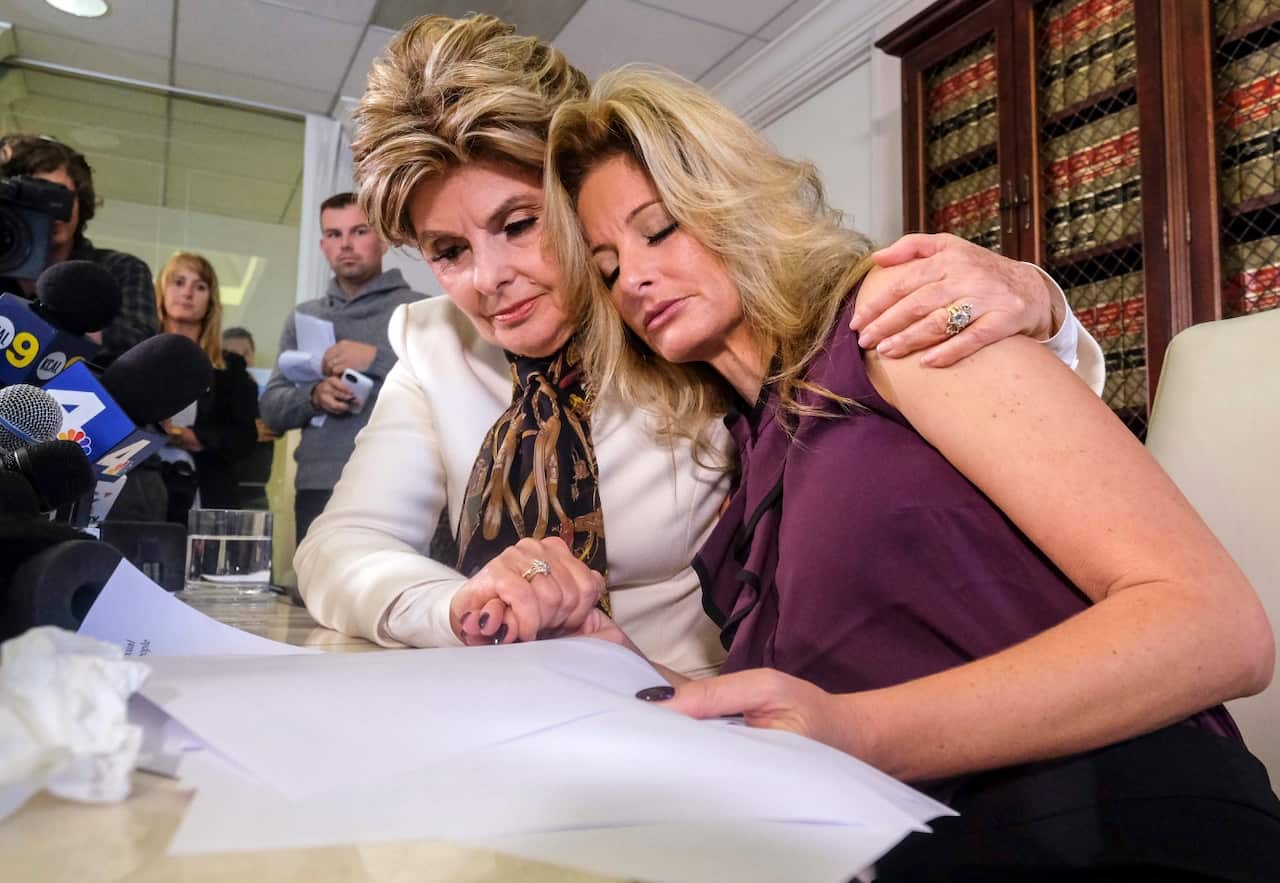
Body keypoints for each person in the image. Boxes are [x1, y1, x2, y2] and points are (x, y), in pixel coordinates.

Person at [543, 67, 1280, 879]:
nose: (634, 279)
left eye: (658, 230)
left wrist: (861, 733)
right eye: (608, 268)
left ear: (733, 203)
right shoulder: (747, 465)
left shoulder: (895, 318)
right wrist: (612, 660)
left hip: (1111, 818)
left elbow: (1218, 630)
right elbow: (805, 714)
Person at [294, 14, 1101, 682]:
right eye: (447, 252)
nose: (489, 279)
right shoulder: (433, 344)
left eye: (518, 224)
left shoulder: (682, 318)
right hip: (495, 704)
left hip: (692, 710)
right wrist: (467, 605)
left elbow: (897, 388)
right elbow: (339, 548)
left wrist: (1041, 304)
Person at [258, 192, 423, 544]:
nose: (346, 244)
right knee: (317, 598)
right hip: (319, 481)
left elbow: (450, 390)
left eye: (358, 231)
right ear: (323, 245)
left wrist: (374, 359)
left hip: (401, 480)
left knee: (390, 594)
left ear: (382, 238)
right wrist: (314, 397)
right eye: (334, 235)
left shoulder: (420, 310)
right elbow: (271, 409)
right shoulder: (305, 316)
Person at [0, 134, 157, 364]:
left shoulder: (121, 269)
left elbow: (138, 347)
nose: (49, 211)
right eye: (34, 194)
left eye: (58, 196)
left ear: (80, 201)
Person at [154, 253, 259, 523]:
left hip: (208, 492)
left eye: (200, 286)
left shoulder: (230, 367)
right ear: (162, 291)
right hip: (143, 486)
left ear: (210, 301)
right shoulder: (138, 354)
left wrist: (191, 436)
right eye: (178, 282)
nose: (187, 293)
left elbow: (245, 437)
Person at [221, 326, 276, 511]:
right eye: (232, 354)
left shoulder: (267, 389)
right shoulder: (215, 392)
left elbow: (274, 427)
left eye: (246, 353)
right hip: (222, 483)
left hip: (256, 486)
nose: (241, 360)